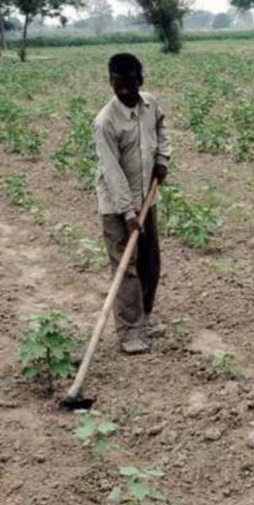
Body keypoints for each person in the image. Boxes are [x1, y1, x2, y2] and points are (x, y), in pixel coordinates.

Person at [92, 52, 171, 354]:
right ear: (110, 81)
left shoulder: (150, 105)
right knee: (126, 269)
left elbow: (161, 128)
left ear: (140, 80)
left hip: (146, 198)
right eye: (117, 83)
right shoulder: (105, 123)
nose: (123, 90)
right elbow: (111, 172)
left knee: (151, 264)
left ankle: (145, 318)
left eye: (129, 83)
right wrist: (127, 212)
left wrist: (162, 159)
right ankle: (129, 332)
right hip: (117, 207)